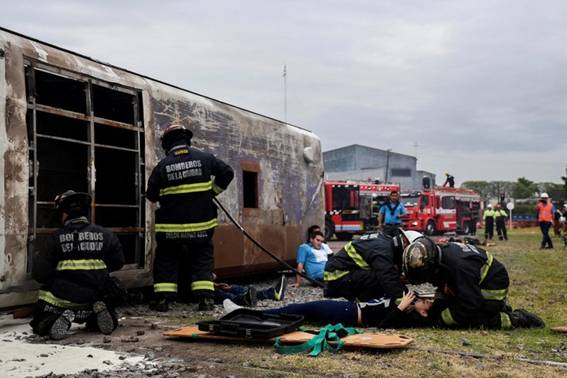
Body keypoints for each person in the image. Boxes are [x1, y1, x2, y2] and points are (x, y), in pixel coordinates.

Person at [146, 123, 234, 311]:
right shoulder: (205, 158)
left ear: (167, 144)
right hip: (201, 226)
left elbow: (151, 195)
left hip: (170, 230)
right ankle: (205, 300)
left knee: (167, 260)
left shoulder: (162, 166)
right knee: (201, 259)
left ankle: (163, 300)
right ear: (187, 139)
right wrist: (212, 191)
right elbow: (227, 172)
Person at [30, 190, 125, 340]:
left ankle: (53, 321)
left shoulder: (55, 238)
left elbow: (40, 273)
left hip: (62, 300)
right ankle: (101, 317)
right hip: (95, 296)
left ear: (64, 213)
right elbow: (118, 262)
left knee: (40, 317)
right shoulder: (106, 234)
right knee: (112, 288)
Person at [402, 235, 544, 329]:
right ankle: (498, 308)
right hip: (475, 283)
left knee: (470, 320)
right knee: (448, 305)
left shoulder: (459, 266)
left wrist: (442, 322)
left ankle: (517, 318)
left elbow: (469, 304)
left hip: (491, 287)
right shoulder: (441, 255)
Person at [224, 284, 436, 328]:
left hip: (349, 314)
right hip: (348, 310)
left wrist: (401, 307)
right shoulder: (406, 308)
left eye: (423, 303)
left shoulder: (405, 317)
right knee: (297, 311)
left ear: (425, 313)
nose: (418, 300)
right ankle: (246, 314)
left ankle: (244, 314)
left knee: (297, 310)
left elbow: (381, 326)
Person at [323, 230, 421, 301]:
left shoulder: (386, 242)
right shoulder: (383, 251)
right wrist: (409, 298)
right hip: (337, 278)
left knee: (388, 276)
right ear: (404, 243)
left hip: (341, 274)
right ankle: (366, 305)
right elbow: (388, 278)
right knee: (382, 278)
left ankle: (366, 300)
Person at [213, 274, 287, 306]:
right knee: (224, 295)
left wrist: (216, 285)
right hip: (206, 294)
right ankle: (244, 300)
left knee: (235, 288)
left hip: (210, 288)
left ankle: (273, 294)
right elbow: (212, 276)